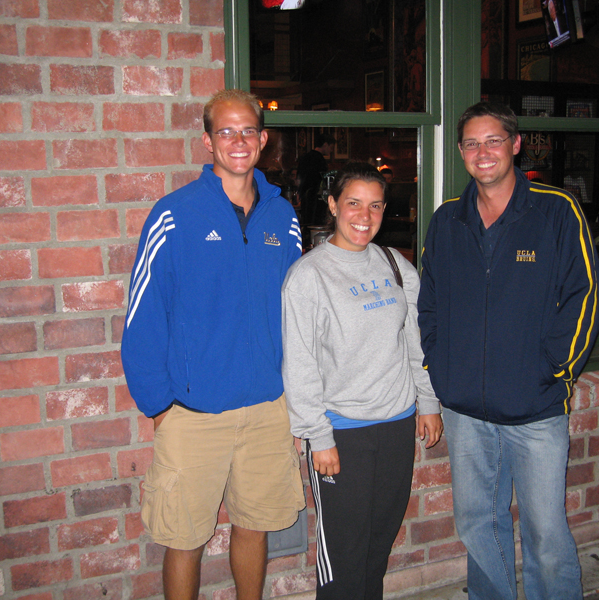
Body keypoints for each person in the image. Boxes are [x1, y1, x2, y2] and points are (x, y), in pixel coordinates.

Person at [121, 88, 305, 600]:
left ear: (263, 140)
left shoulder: (281, 216)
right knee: (185, 540)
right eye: (225, 131)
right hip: (193, 412)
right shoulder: (173, 214)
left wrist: (296, 397)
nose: (238, 140)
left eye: (248, 130)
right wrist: (160, 405)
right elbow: (142, 317)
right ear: (208, 141)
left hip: (268, 409)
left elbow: (297, 310)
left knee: (255, 526)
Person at [418, 102, 599, 600]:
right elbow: (429, 304)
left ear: (515, 144)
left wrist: (554, 372)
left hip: (536, 409)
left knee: (545, 535)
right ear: (461, 152)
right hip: (466, 413)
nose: (483, 153)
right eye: (472, 144)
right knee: (479, 524)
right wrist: (443, 371)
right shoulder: (447, 222)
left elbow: (586, 296)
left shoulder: (555, 211)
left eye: (494, 141)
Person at [282, 162, 443, 599]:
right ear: (333, 205)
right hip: (342, 433)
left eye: (375, 206)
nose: (364, 215)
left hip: (395, 425)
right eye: (353, 203)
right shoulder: (309, 276)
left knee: (378, 540)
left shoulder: (395, 265)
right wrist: (319, 436)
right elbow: (299, 363)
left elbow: (416, 342)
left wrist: (427, 402)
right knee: (343, 553)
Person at [297, 133, 336, 226]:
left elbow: (299, 178)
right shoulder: (320, 160)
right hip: (315, 200)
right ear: (325, 144)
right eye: (331, 147)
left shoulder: (305, 157)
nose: (331, 150)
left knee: (306, 223)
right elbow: (322, 183)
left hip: (305, 197)